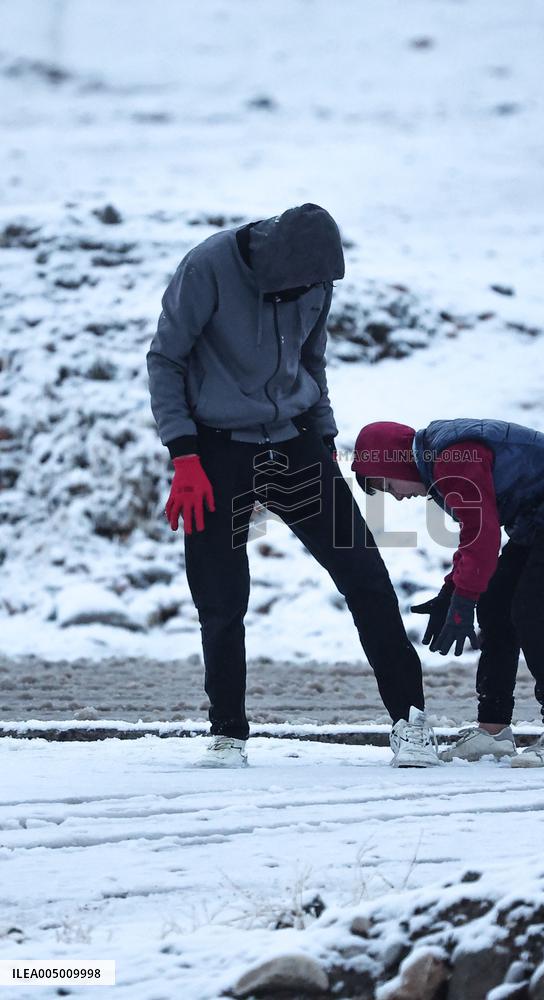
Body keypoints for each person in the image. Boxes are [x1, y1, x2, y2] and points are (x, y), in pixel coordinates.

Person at [146, 204, 438, 768]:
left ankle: (410, 720)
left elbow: (313, 360)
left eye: (319, 284)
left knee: (366, 576)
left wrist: (324, 438)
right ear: (272, 266)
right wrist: (184, 456)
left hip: (296, 443)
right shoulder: (207, 267)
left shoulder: (316, 281)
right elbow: (165, 360)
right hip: (216, 448)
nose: (312, 292)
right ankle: (228, 731)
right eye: (301, 283)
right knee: (221, 597)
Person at [351, 418, 544, 767]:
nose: (398, 496)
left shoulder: (451, 460)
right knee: (494, 607)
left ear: (395, 461)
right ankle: (493, 731)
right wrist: (453, 591)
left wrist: (464, 597)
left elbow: (483, 535)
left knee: (531, 614)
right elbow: (477, 529)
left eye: (387, 484)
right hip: (540, 518)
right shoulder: (439, 459)